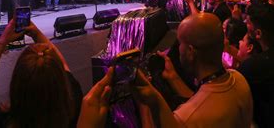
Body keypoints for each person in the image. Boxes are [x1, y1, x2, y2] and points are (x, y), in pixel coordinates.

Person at [78, 13, 253, 128]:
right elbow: (205, 99)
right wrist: (172, 79)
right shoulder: (239, 79)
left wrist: (144, 105)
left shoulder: (186, 119)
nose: (178, 49)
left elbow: (197, 109)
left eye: (180, 43)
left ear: (191, 52)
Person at [0, 19, 83, 127]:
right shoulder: (74, 106)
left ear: (15, 85)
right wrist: (37, 33)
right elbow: (63, 66)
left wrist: (1, 42)